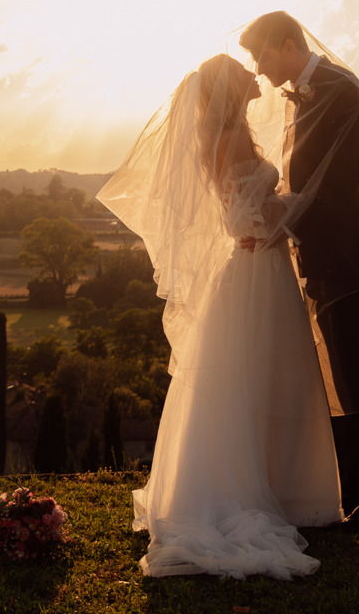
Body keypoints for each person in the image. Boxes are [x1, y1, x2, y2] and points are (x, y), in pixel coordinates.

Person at [97, 54, 342, 579]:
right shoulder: (228, 142)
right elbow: (250, 215)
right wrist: (309, 201)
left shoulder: (226, 137)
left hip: (254, 266)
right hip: (257, 269)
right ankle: (278, 494)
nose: (255, 75)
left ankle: (281, 487)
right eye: (243, 73)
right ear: (230, 91)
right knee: (265, 379)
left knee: (260, 381)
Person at [239, 10, 359, 533]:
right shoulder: (310, 93)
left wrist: (280, 217)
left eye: (263, 56)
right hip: (327, 254)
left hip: (352, 252)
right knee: (344, 374)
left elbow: (334, 182)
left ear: (288, 45)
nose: (260, 72)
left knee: (358, 370)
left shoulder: (340, 90)